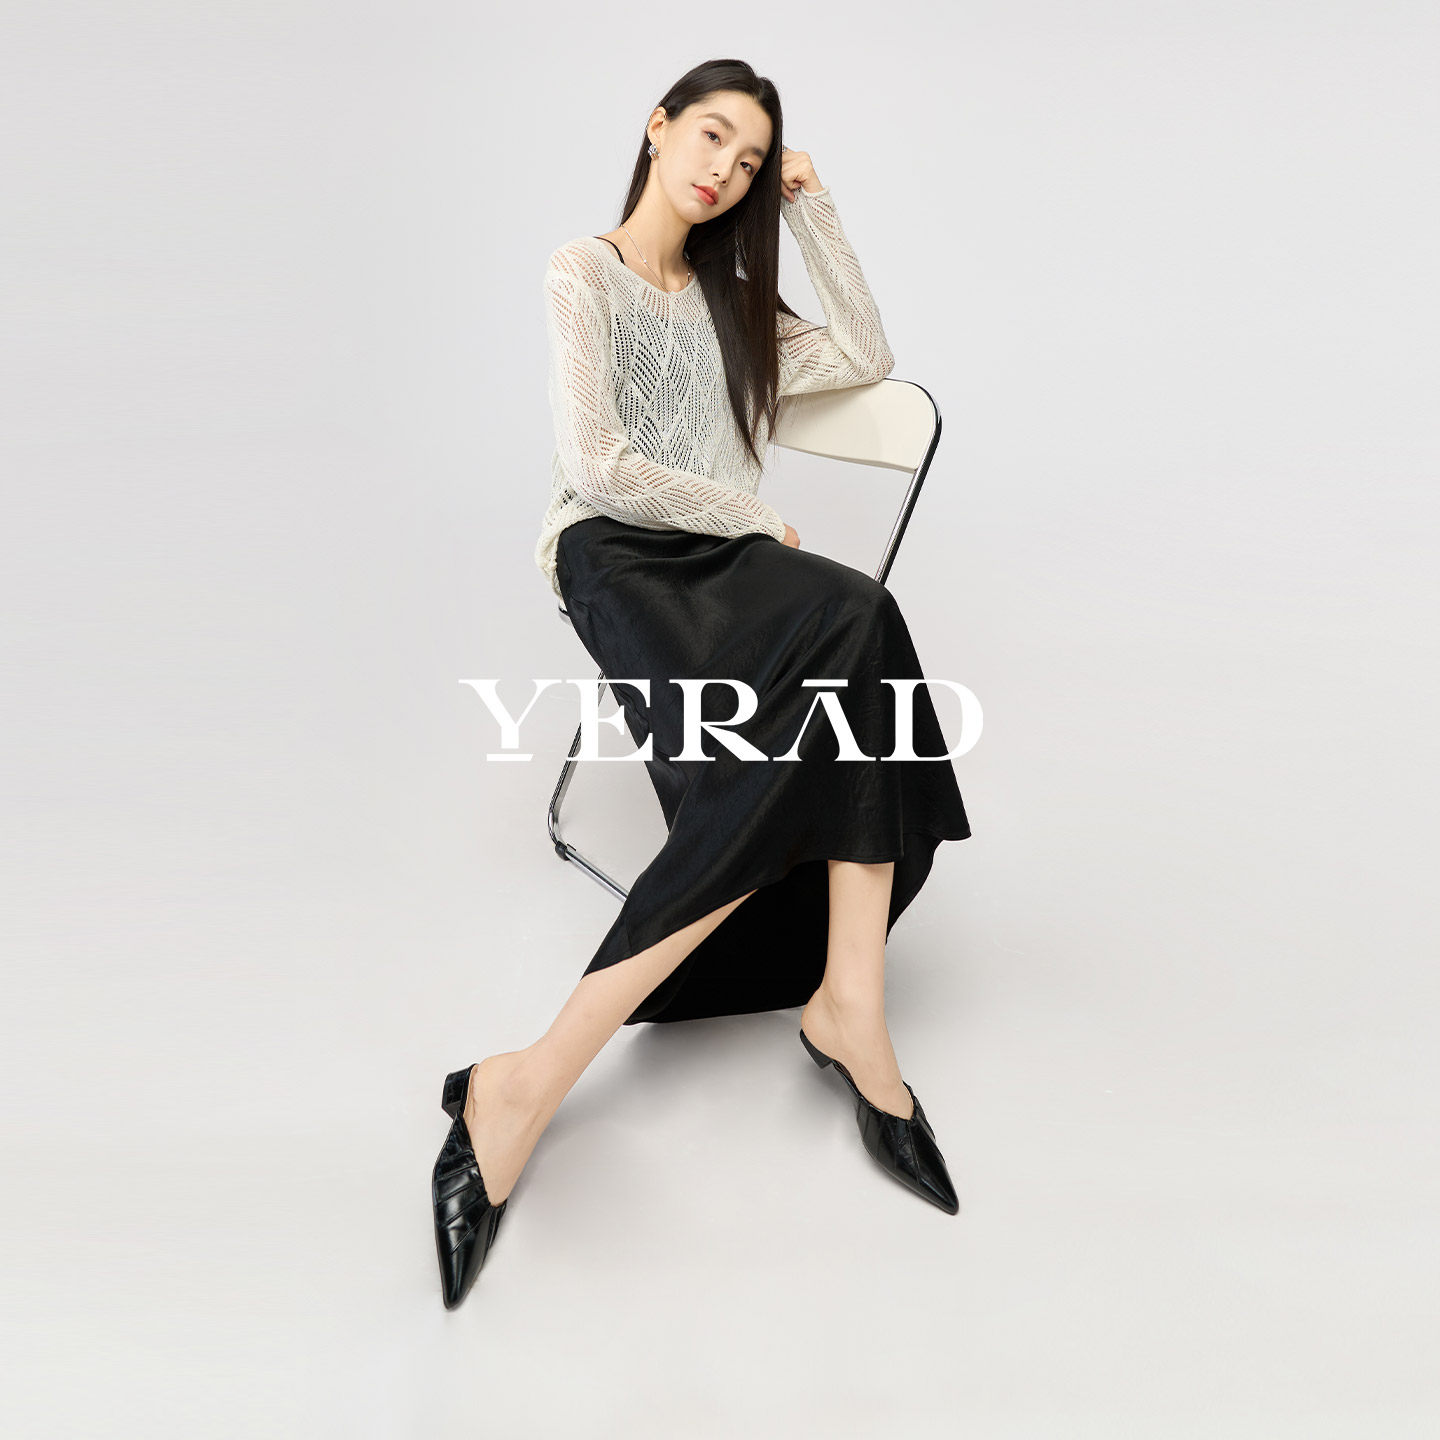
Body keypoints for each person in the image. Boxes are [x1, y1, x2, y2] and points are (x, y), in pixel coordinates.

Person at [432, 59, 973, 1309]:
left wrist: (813, 207)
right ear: (659, 126)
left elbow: (870, 354)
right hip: (614, 552)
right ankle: (541, 1080)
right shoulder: (583, 272)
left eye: (750, 158)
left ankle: (848, 1003)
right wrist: (750, 515)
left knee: (862, 617)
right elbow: (599, 464)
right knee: (809, 698)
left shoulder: (740, 306)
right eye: (712, 135)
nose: (724, 167)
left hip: (730, 559)